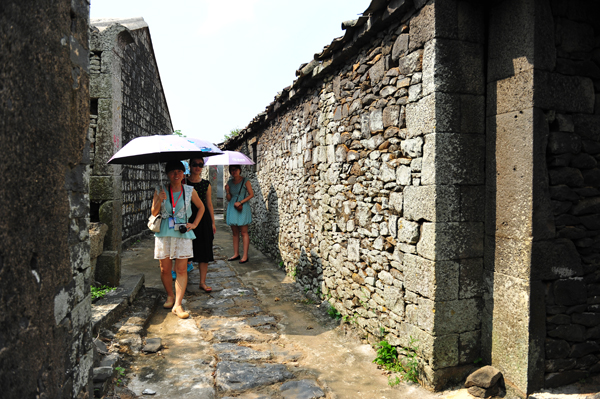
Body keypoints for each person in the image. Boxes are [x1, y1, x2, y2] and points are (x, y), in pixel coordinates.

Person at [151, 160, 205, 319]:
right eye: (173, 171)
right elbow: (154, 213)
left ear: (183, 174)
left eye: (179, 171)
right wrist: (159, 200)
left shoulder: (189, 191)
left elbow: (201, 207)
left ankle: (178, 304)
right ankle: (170, 296)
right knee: (165, 268)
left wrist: (194, 224)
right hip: (164, 233)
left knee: (181, 269)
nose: (176, 174)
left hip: (183, 233)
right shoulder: (160, 190)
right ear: (167, 174)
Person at [187, 157, 216, 293]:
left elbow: (209, 204)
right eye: (195, 164)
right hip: (187, 217)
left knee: (204, 250)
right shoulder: (183, 182)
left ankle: (202, 282)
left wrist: (213, 222)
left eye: (200, 165)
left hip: (203, 219)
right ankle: (183, 279)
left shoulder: (206, 184)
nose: (197, 167)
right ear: (190, 166)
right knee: (186, 249)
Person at [225, 165, 254, 263]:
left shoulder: (245, 180)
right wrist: (227, 191)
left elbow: (251, 194)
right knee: (235, 232)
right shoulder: (229, 182)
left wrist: (241, 202)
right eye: (232, 170)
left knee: (244, 232)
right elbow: (228, 199)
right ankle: (236, 253)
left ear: (240, 170)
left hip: (242, 207)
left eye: (235, 169)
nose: (234, 171)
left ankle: (245, 255)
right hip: (233, 207)